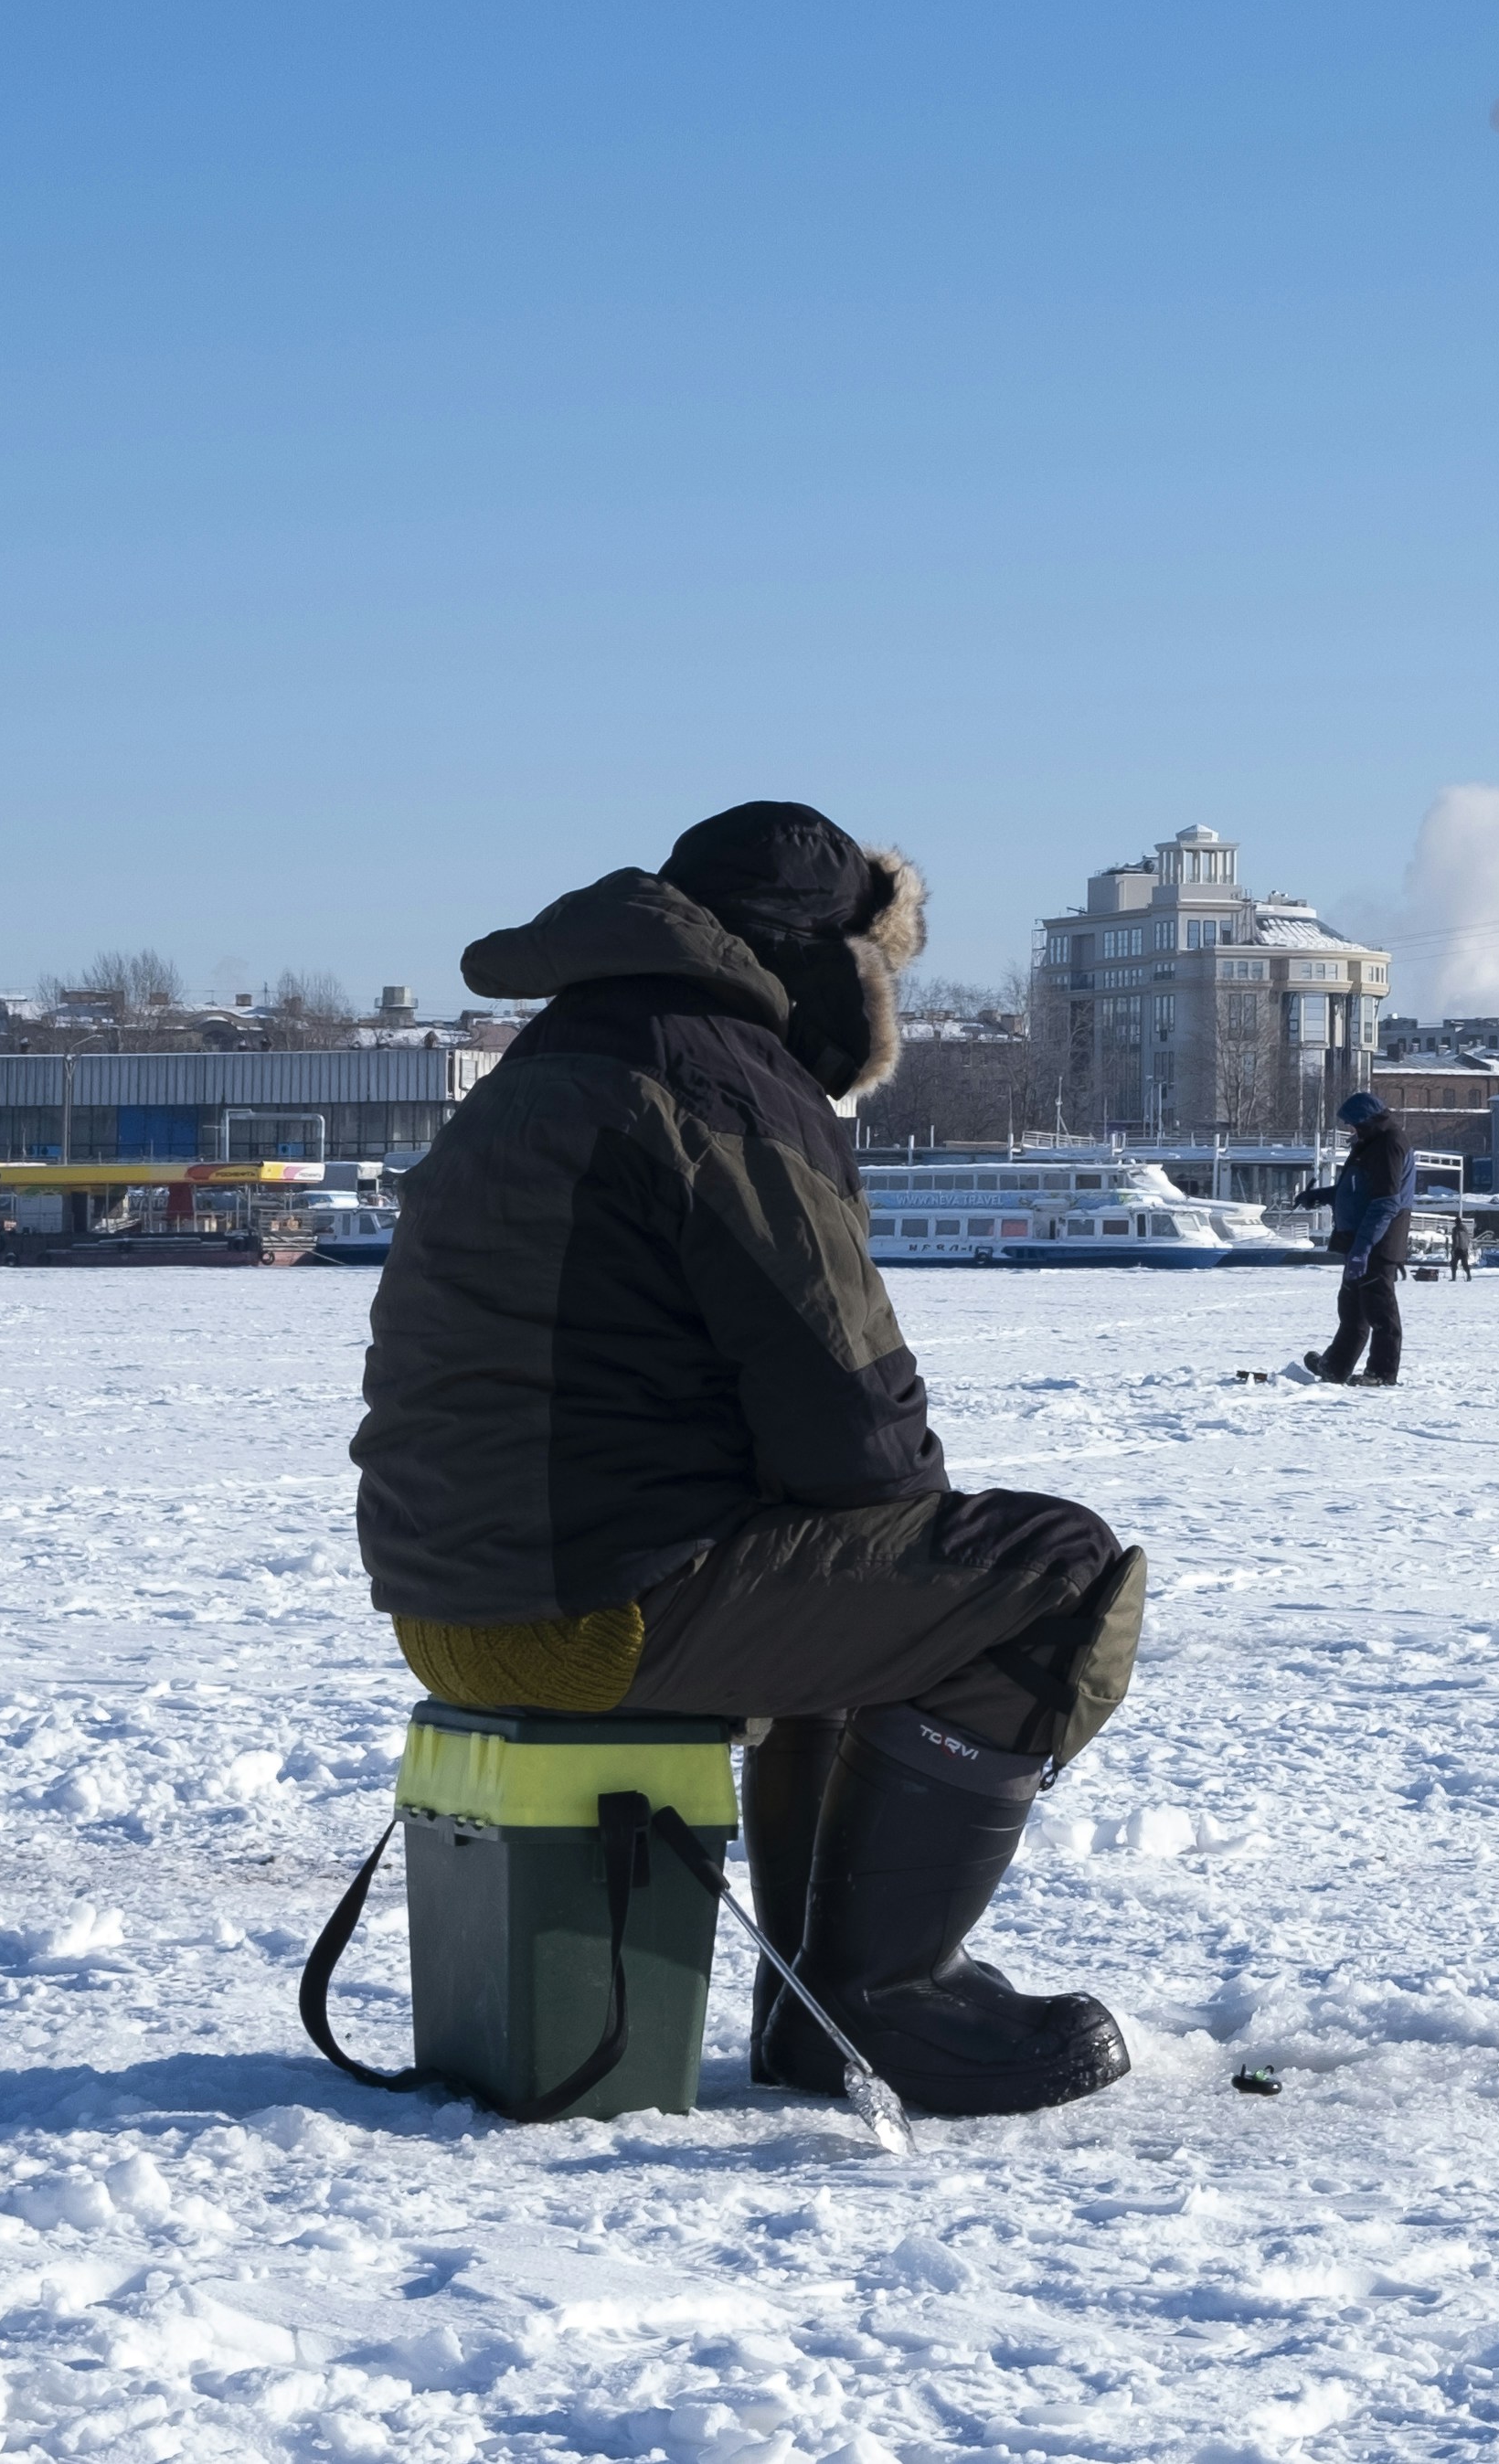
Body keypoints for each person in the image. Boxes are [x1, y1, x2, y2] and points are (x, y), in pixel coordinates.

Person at [351, 800, 1143, 2118]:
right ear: (832, 961)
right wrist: (926, 1578)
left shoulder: (565, 1057)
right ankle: (881, 2010)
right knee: (1050, 1575)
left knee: (853, 1571)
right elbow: (852, 1416)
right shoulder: (720, 1078)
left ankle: (823, 1997)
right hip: (590, 1608)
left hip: (457, 1605)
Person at [1297, 1089, 1413, 1386]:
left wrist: (1364, 1247)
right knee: (1351, 1307)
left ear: (1368, 1120)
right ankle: (1335, 1366)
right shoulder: (1368, 1143)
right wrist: (1319, 1195)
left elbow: (1387, 1201)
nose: (1352, 1130)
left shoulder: (1389, 1145)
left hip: (1378, 1242)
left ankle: (1382, 1373)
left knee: (1379, 1309)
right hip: (1359, 1239)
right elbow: (1355, 1189)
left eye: (1354, 1124)